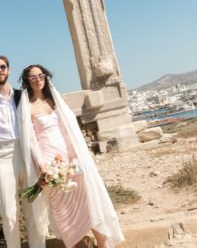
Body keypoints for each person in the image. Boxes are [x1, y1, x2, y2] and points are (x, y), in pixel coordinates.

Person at [18, 64, 125, 248]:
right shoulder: (27, 107)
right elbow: (31, 140)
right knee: (63, 211)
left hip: (70, 158)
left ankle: (102, 244)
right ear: (27, 80)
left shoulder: (57, 101)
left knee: (87, 203)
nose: (38, 79)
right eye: (33, 77)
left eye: (41, 75)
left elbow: (69, 129)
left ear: (46, 76)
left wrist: (76, 156)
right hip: (48, 161)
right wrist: (42, 166)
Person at [0, 56, 46, 248]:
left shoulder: (23, 96)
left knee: (34, 208)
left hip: (26, 153)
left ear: (9, 70)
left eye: (2, 67)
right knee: (8, 213)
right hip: (2, 157)